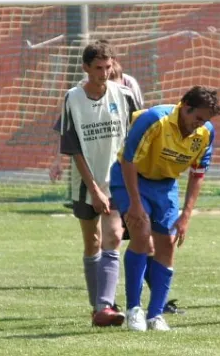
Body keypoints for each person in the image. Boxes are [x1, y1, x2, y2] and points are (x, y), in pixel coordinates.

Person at [110, 85, 220, 331]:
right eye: (198, 118)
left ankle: (156, 315)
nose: (201, 124)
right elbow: (128, 161)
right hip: (131, 178)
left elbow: (198, 174)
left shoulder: (205, 133)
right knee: (140, 233)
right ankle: (134, 311)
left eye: (206, 120)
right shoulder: (154, 120)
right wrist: (136, 205)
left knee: (168, 244)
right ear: (184, 107)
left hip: (165, 185)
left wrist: (186, 215)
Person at [58, 40, 138, 326]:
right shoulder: (72, 98)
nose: (104, 73)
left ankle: (105, 306)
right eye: (98, 68)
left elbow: (138, 139)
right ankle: (98, 308)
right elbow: (72, 146)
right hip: (85, 182)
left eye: (108, 67)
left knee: (114, 236)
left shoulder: (125, 96)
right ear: (85, 68)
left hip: (117, 181)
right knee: (91, 242)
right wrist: (93, 188)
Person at [49, 59, 144, 183]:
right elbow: (65, 132)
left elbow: (139, 129)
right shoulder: (78, 98)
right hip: (91, 171)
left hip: (119, 169)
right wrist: (58, 160)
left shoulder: (126, 95)